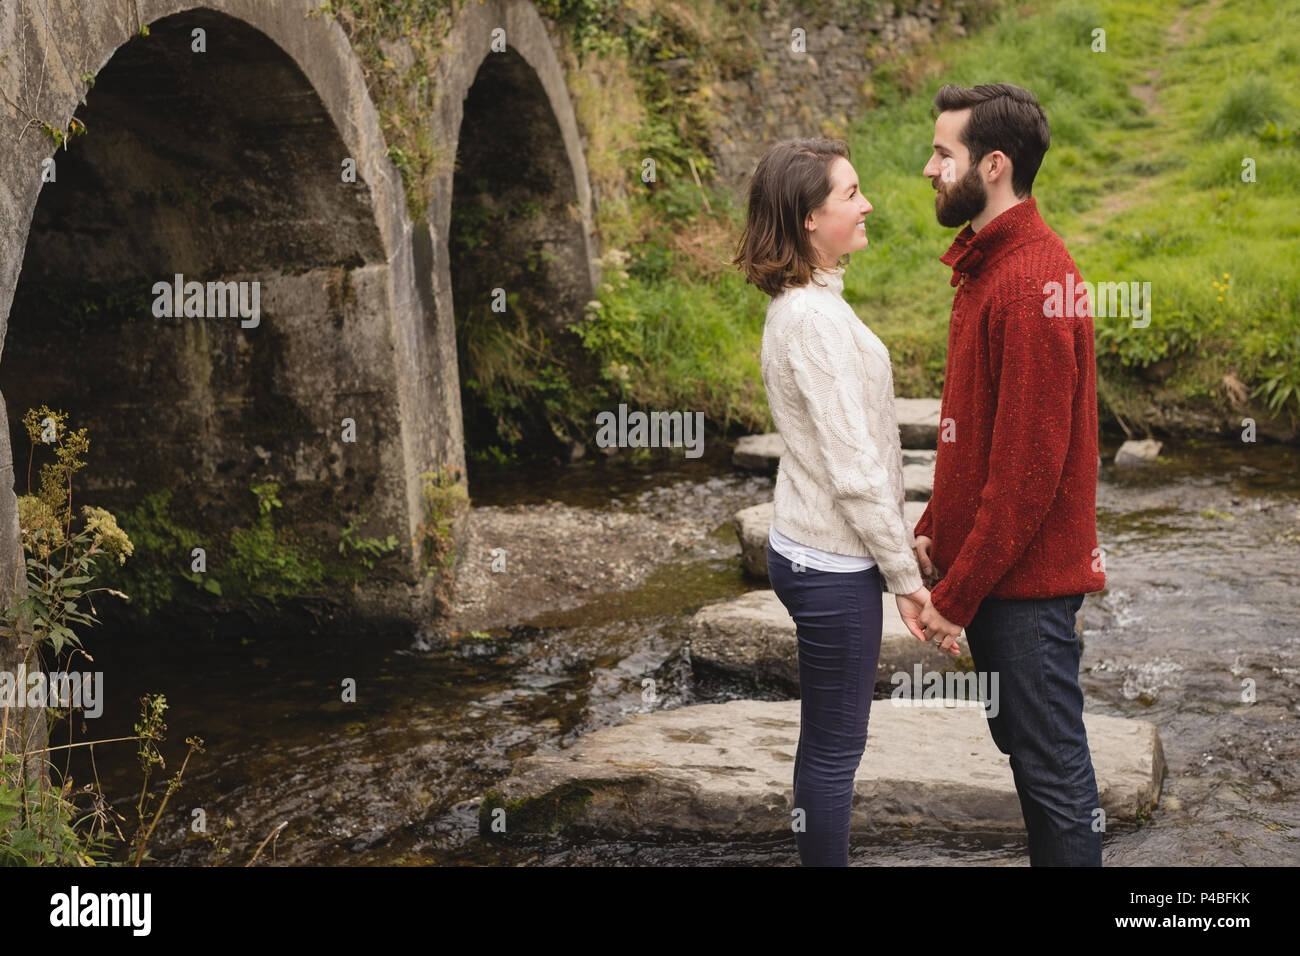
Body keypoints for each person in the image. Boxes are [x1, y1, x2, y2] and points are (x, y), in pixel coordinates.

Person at [732, 138, 958, 867]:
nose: (868, 204)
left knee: (826, 742)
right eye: (851, 194)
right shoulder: (811, 323)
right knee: (834, 751)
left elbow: (855, 456)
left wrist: (897, 544)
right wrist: (906, 577)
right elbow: (854, 470)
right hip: (829, 564)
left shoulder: (812, 304)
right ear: (807, 218)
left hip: (824, 547)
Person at [914, 83, 1108, 866]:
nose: (928, 168)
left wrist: (954, 599)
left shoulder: (1030, 283)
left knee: (1054, 774)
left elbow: (1027, 475)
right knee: (1034, 764)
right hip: (1003, 582)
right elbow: (977, 441)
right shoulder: (991, 267)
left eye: (943, 153)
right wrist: (936, 531)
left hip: (1025, 595)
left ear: (993, 166)